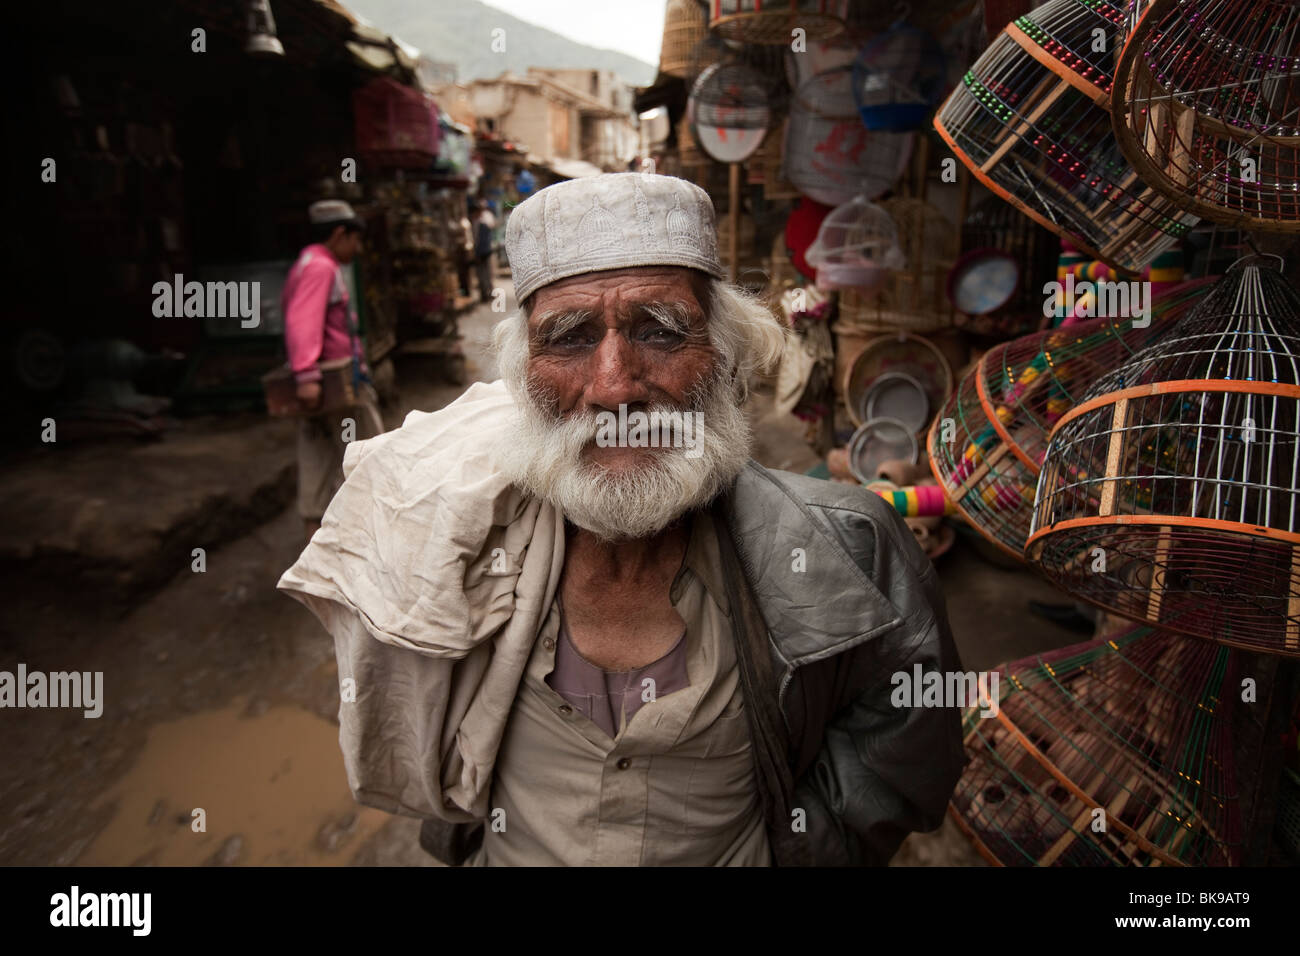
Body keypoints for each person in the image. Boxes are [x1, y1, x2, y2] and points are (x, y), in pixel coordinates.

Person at [279, 174, 966, 865]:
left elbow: (902, 760)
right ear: (524, 377)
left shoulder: (850, 548)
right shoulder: (461, 542)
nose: (614, 386)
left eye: (661, 331)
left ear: (723, 357)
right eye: (570, 338)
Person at [282, 200, 384, 541]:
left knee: (317, 453)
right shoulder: (320, 268)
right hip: (334, 385)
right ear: (340, 234)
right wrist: (307, 376)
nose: (356, 250)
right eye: (354, 240)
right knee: (369, 454)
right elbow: (302, 321)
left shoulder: (306, 263)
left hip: (323, 383)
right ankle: (368, 535)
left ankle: (319, 541)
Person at [472, 199, 496, 303]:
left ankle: (487, 293)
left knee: (484, 273)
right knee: (483, 273)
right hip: (483, 251)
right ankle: (486, 293)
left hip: (483, 251)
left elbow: (479, 239)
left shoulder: (482, 221)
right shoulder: (479, 221)